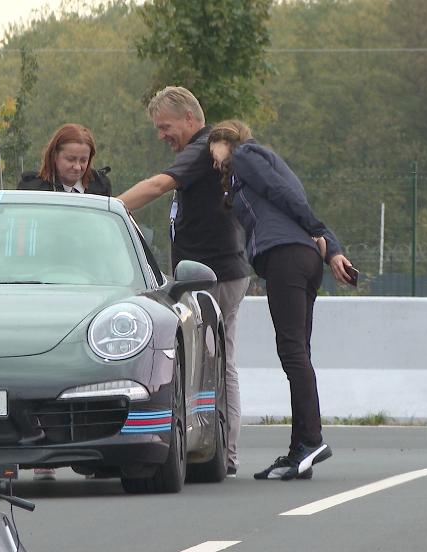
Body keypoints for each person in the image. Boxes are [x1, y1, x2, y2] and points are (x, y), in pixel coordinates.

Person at [207, 120, 353, 480]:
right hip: (303, 258)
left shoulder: (246, 155)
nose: (212, 158)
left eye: (213, 148)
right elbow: (296, 201)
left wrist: (320, 232)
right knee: (297, 351)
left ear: (226, 140)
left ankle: (312, 439)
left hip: (286, 256)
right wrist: (331, 250)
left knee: (291, 351)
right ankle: (298, 450)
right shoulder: (263, 164)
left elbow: (282, 196)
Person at [117, 86, 251, 477]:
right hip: (210, 275)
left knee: (219, 363)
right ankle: (212, 446)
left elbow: (157, 186)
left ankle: (223, 451)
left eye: (166, 126)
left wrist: (109, 209)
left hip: (215, 276)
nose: (162, 135)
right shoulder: (201, 151)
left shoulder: (199, 148)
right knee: (213, 362)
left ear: (190, 120)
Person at [17, 124, 112, 197]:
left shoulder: (101, 187)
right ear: (54, 156)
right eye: (71, 159)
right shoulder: (32, 188)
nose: (77, 167)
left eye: (83, 160)